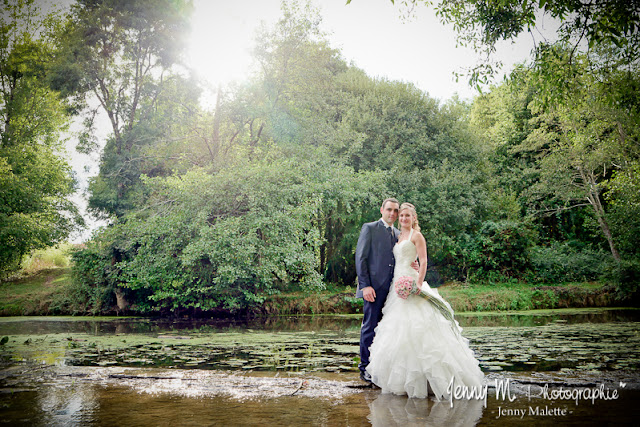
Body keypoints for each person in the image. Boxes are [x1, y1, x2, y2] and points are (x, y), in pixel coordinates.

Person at [365, 202, 484, 399]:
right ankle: (400, 380)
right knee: (397, 330)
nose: (403, 218)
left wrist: (417, 283)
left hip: (411, 283)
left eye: (406, 216)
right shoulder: (397, 235)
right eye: (400, 215)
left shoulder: (416, 235)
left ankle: (430, 380)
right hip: (397, 286)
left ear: (413, 218)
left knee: (419, 328)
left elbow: (424, 260)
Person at [355, 198, 400, 383]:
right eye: (389, 209)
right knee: (369, 327)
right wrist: (365, 285)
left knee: (388, 330)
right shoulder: (370, 228)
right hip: (372, 288)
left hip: (393, 291)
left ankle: (380, 368)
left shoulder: (398, 233)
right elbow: (361, 257)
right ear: (382, 210)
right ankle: (364, 368)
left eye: (395, 211)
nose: (392, 213)